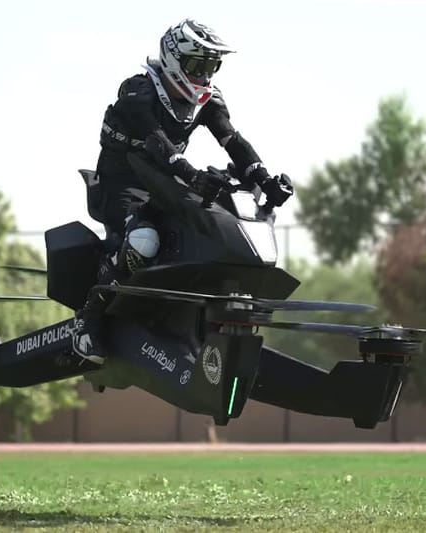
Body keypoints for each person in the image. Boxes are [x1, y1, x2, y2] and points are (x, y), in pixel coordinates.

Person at [72, 19, 293, 364]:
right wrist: (192, 176)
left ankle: (190, 316)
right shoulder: (138, 91)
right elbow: (156, 141)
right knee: (144, 240)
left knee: (207, 229)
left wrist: (265, 179)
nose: (204, 76)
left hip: (165, 179)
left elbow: (232, 141)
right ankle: (88, 319)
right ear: (174, 59)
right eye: (197, 65)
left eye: (211, 67)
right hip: (123, 181)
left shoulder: (209, 100)